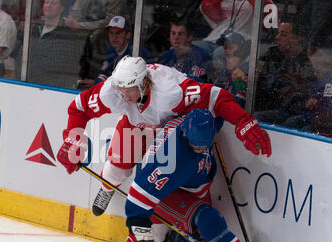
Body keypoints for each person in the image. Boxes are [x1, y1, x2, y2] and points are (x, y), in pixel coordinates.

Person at [56, 56, 271, 217]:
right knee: (119, 164)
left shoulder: (171, 92)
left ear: (143, 83)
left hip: (171, 124)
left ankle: (163, 229)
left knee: (163, 170)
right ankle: (107, 187)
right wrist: (73, 139)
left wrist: (243, 121)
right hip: (135, 122)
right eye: (119, 88)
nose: (123, 95)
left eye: (128, 89)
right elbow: (78, 109)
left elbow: (217, 97)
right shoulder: (110, 91)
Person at [122, 109, 274, 242]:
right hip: (167, 193)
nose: (201, 149)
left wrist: (244, 124)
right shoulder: (171, 159)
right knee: (210, 221)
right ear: (185, 133)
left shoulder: (203, 122)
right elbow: (139, 193)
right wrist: (136, 231)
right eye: (196, 145)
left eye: (205, 144)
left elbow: (220, 103)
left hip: (193, 188)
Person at [253, 21, 316, 127]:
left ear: (296, 38)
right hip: (275, 108)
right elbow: (264, 84)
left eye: (283, 34)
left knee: (256, 118)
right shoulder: (275, 55)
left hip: (289, 113)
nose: (277, 37)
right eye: (278, 33)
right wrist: (251, 80)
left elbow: (301, 101)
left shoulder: (305, 65)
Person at [77, 15, 151, 90]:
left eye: (118, 33)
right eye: (111, 33)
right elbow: (106, 73)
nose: (114, 37)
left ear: (128, 35)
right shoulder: (111, 49)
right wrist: (93, 82)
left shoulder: (136, 52)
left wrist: (96, 83)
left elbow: (128, 82)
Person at [305, 35, 332, 139]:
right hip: (316, 119)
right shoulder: (328, 76)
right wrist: (311, 100)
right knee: (293, 122)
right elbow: (316, 91)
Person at [214, 32, 249, 108]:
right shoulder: (225, 71)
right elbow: (215, 93)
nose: (226, 51)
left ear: (241, 50)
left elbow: (239, 104)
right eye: (225, 48)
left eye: (231, 48)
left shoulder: (247, 69)